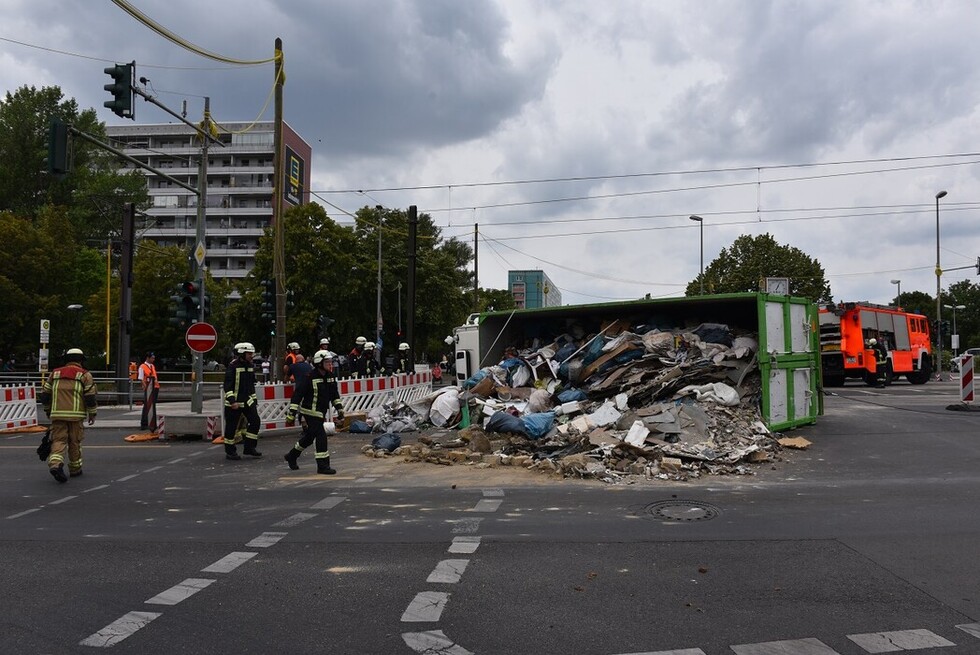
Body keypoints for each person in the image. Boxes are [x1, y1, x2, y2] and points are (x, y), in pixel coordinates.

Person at [38, 348, 97, 482]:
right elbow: (90, 397)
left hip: (57, 414)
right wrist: (92, 413)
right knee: (74, 442)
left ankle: (55, 464)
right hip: (76, 416)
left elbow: (45, 395)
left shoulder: (55, 373)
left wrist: (48, 410)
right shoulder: (85, 375)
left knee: (59, 440)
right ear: (81, 360)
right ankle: (75, 469)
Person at [284, 350, 345, 474]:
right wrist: (292, 414)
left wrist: (340, 410)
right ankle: (322, 466)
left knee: (309, 437)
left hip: (321, 412)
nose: (330, 364)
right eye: (327, 362)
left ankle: (292, 455)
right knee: (321, 436)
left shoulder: (330, 376)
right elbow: (298, 395)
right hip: (310, 411)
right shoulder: (309, 377)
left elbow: (334, 395)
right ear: (319, 363)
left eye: (330, 362)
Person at [223, 341, 262, 461]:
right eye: (249, 353)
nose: (251, 356)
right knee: (231, 428)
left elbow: (251, 385)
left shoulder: (249, 366)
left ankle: (249, 447)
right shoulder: (233, 366)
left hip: (247, 401)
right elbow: (227, 386)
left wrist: (254, 399)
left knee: (255, 421)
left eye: (252, 353)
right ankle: (230, 452)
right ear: (241, 353)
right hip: (234, 403)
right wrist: (232, 401)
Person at [138, 351, 160, 431]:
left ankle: (152, 423)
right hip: (149, 388)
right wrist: (145, 388)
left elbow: (154, 376)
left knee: (153, 405)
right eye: (152, 358)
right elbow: (141, 379)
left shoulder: (152, 366)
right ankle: (144, 423)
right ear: (148, 358)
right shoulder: (142, 367)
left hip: (155, 387)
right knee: (147, 406)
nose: (153, 359)